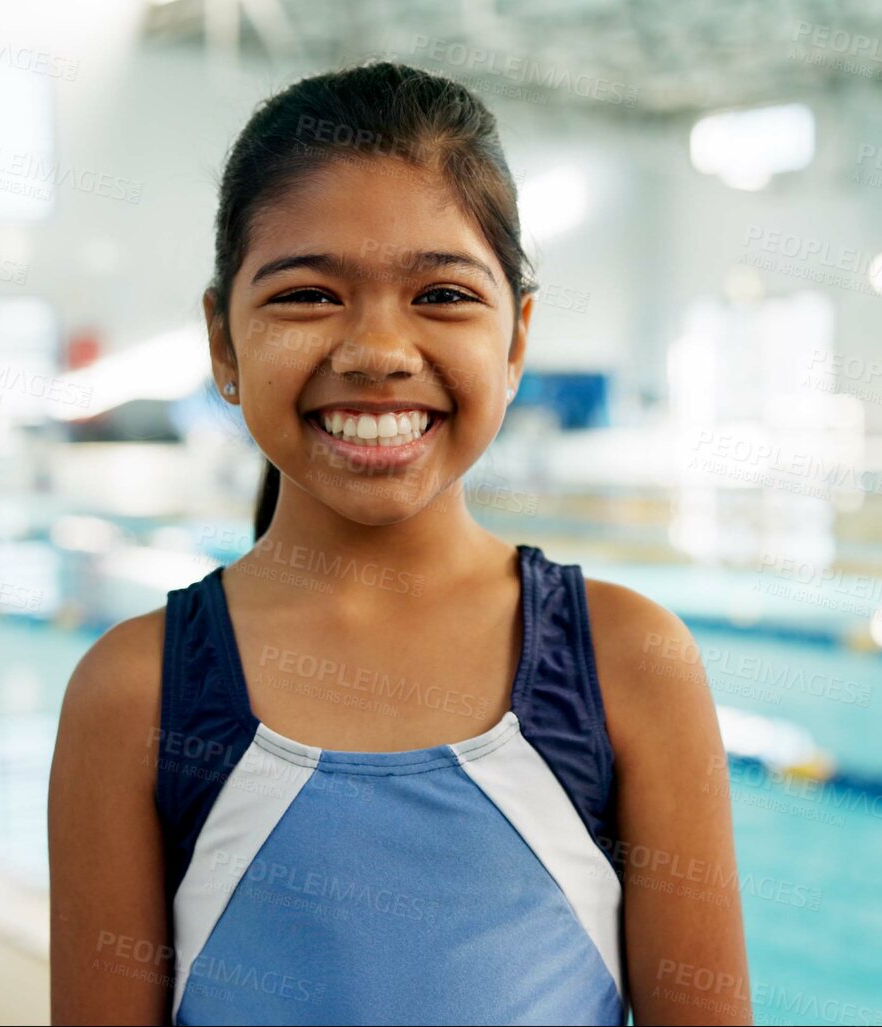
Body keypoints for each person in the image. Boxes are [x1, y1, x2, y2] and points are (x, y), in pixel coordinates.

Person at [49, 61, 749, 1025]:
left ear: (515, 341)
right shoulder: (134, 694)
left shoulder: (628, 664)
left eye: (443, 296)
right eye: (306, 295)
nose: (378, 350)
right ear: (222, 342)